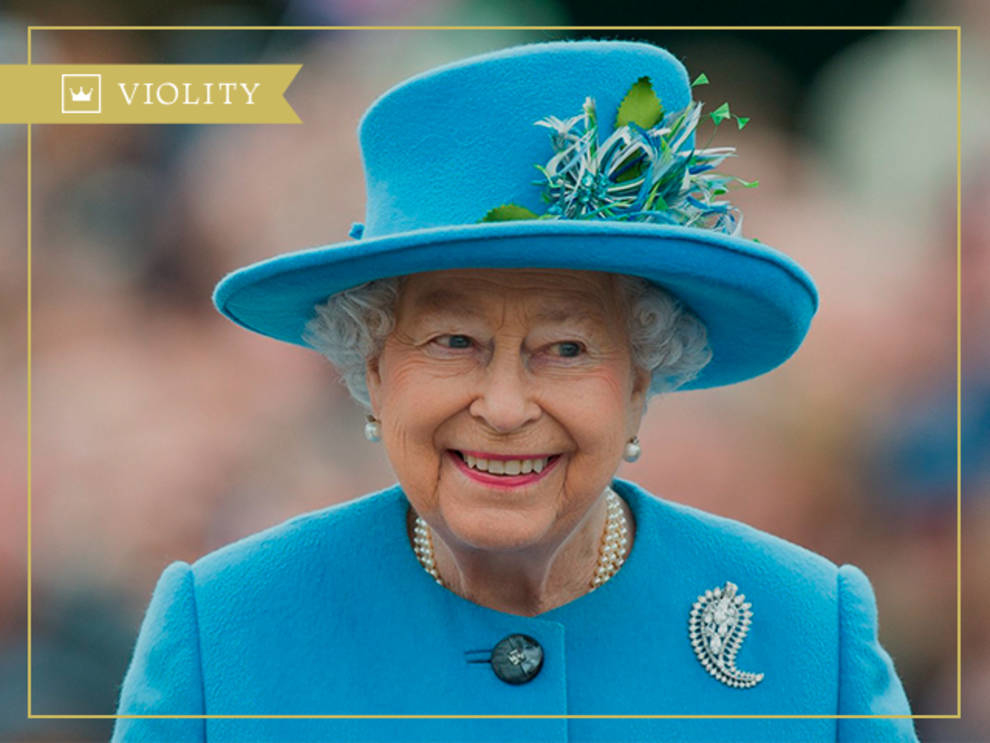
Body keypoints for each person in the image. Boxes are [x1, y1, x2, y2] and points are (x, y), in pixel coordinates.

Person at [112, 39, 918, 742]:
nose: (503, 407)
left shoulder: (808, 630)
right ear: (372, 369)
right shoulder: (225, 628)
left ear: (642, 376)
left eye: (565, 347)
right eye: (453, 342)